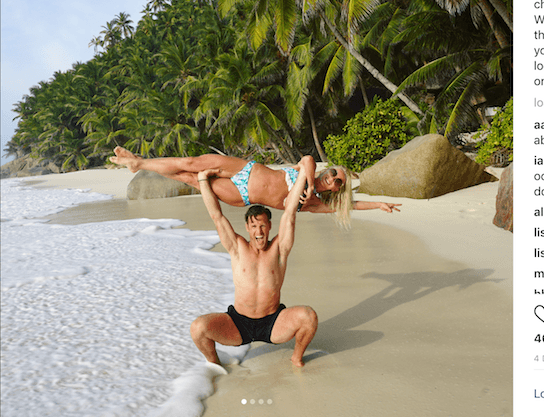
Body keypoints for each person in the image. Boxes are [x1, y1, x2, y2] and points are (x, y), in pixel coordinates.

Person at [190, 166, 317, 367]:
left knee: (309, 317)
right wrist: (203, 180)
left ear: (270, 226)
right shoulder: (237, 247)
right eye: (254, 226)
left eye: (263, 226)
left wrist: (303, 173)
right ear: (247, 228)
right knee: (198, 328)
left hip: (273, 322)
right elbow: (217, 216)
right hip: (238, 323)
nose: (259, 231)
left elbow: (290, 213)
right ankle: (215, 364)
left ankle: (296, 358)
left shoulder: (279, 249)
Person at [109, 146, 400, 228]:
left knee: (191, 179)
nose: (333, 179)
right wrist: (308, 184)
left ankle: (139, 164)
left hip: (243, 194)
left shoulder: (312, 203)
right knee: (192, 162)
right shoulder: (308, 172)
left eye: (338, 182)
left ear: (336, 190)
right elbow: (308, 159)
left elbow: (350, 205)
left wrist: (378, 204)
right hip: (246, 168)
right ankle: (139, 163)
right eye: (334, 173)